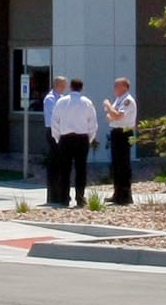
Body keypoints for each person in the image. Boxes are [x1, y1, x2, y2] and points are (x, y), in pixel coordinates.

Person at [54, 78, 98, 207]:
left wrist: (58, 138)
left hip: (65, 138)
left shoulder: (61, 102)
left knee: (65, 169)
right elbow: (93, 124)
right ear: (81, 88)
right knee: (81, 169)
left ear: (70, 87)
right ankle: (80, 197)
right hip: (82, 138)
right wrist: (89, 139)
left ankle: (64, 198)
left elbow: (55, 121)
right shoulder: (87, 103)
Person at [104, 77, 138, 206]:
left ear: (125, 87)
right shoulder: (119, 100)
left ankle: (125, 195)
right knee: (116, 164)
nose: (114, 88)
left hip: (124, 133)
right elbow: (110, 117)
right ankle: (117, 193)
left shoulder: (128, 100)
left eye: (117, 86)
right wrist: (112, 114)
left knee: (123, 164)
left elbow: (117, 116)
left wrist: (107, 105)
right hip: (116, 132)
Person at [41, 75, 69, 207]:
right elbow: (54, 117)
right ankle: (54, 194)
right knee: (54, 163)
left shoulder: (63, 99)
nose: (65, 87)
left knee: (62, 163)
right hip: (53, 132)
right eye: (63, 85)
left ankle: (61, 192)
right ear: (57, 85)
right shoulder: (50, 99)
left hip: (62, 132)